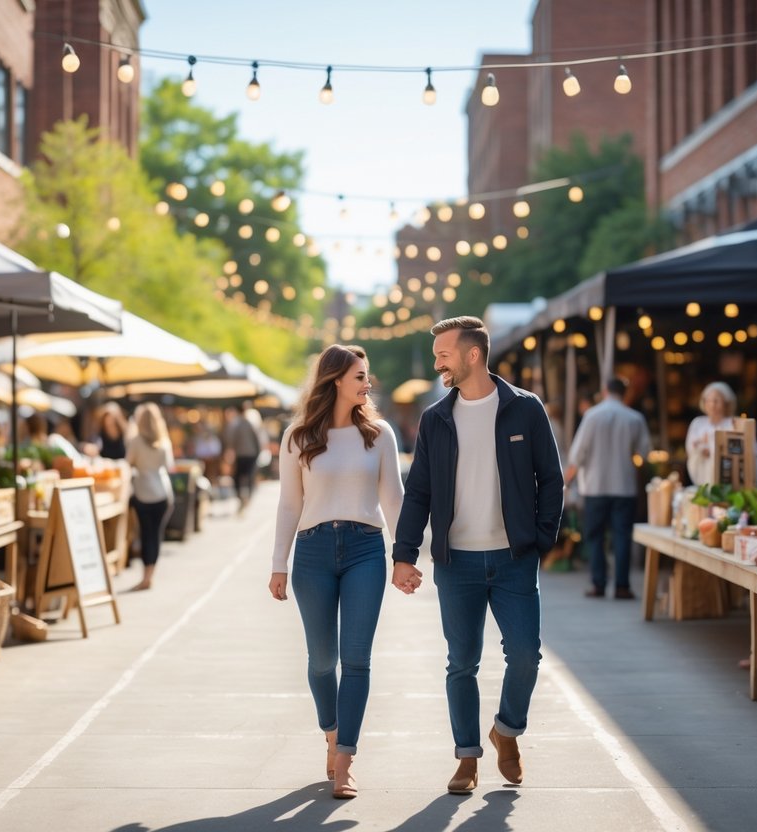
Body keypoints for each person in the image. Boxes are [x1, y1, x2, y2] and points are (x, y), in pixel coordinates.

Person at [391, 316, 563, 795]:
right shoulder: (435, 418)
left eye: (443, 353)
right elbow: (419, 490)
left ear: (472, 355)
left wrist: (540, 539)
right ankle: (467, 757)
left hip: (513, 559)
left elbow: (551, 478)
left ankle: (506, 731)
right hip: (457, 562)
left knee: (526, 655)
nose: (437, 362)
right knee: (461, 663)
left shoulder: (525, 410)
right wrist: (404, 553)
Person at [269, 345, 403, 801]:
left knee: (358, 659)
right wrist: (277, 564)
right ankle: (331, 731)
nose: (368, 383)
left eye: (367, 375)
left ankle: (345, 760)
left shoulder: (380, 434)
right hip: (313, 552)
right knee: (322, 660)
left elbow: (394, 501)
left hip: (366, 548)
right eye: (360, 376)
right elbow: (289, 503)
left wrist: (405, 556)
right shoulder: (299, 436)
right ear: (335, 382)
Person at [566, 377, 652, 600]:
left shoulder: (592, 416)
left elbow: (577, 454)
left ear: (604, 391)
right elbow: (644, 453)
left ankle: (599, 584)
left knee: (595, 537)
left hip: (595, 485)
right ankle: (622, 586)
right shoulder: (635, 418)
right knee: (622, 535)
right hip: (624, 485)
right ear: (624, 393)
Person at [126, 403, 175, 591]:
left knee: (147, 535)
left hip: (144, 493)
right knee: (155, 536)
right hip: (163, 493)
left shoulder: (136, 441)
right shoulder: (163, 440)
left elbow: (128, 464)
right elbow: (169, 466)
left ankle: (146, 577)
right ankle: (150, 575)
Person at [685, 381, 740, 486]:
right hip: (703, 474)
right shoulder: (697, 423)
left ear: (726, 403)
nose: (712, 405)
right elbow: (690, 446)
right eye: (708, 401)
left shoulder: (733, 423)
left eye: (716, 401)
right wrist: (700, 449)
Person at [223, 403, 265, 513]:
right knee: (247, 477)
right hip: (249, 454)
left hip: (242, 454)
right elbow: (256, 440)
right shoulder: (247, 424)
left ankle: (243, 498)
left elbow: (231, 441)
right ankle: (246, 498)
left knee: (240, 477)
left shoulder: (237, 425)